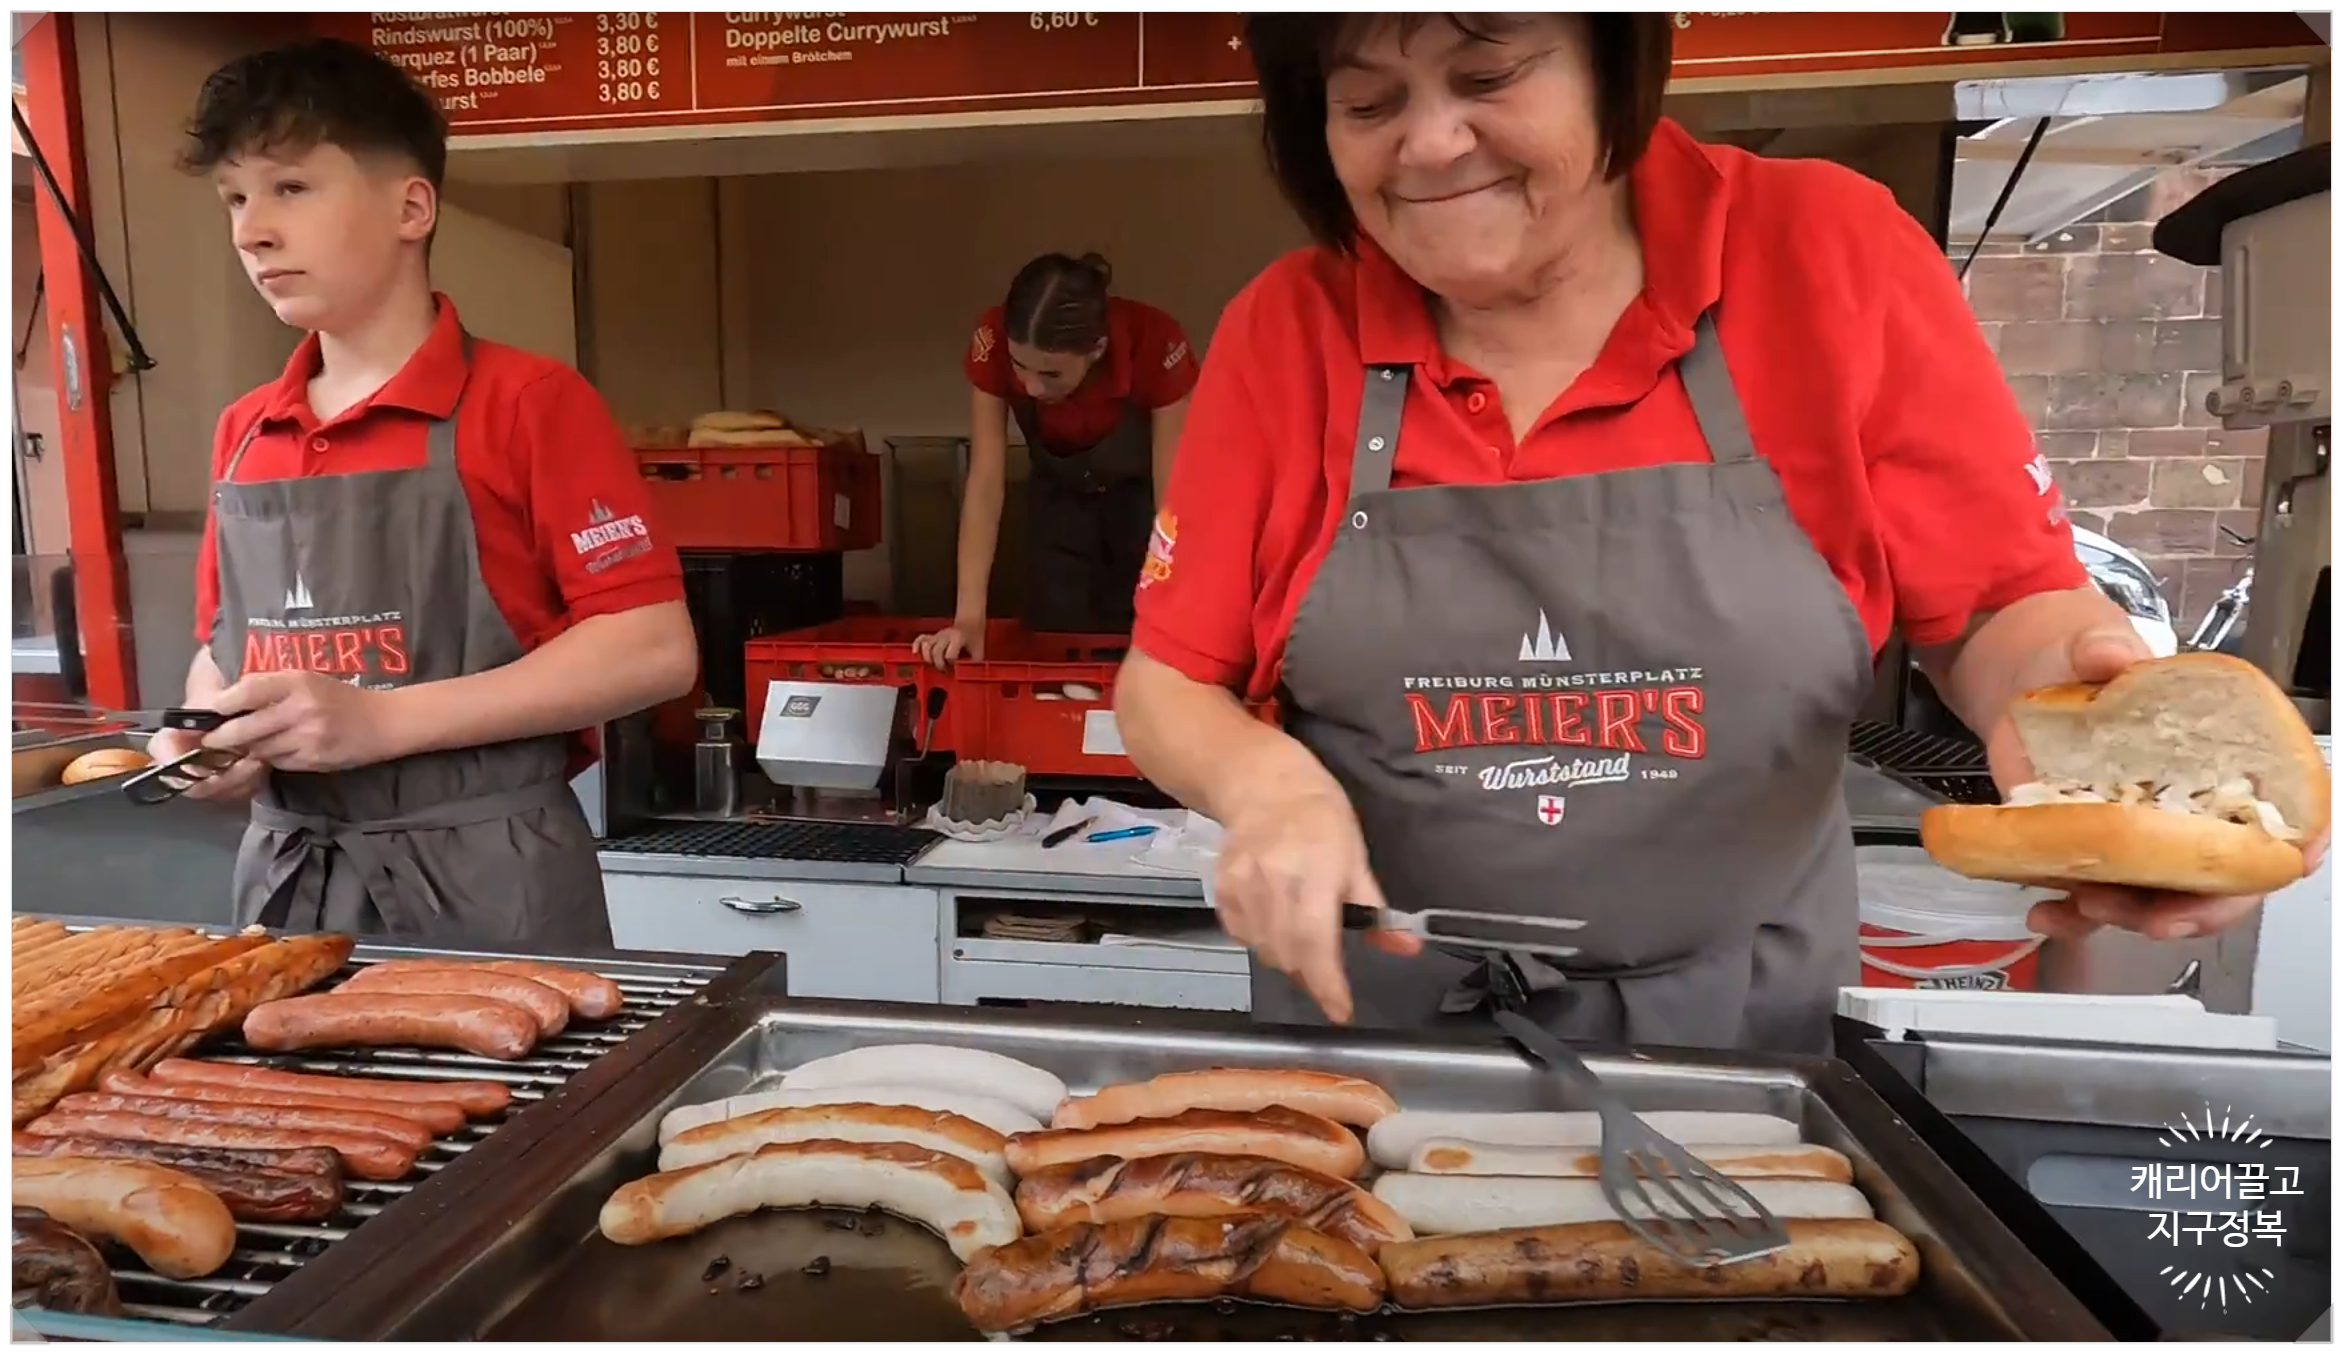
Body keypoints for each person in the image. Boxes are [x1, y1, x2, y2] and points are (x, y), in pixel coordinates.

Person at [1113, 13, 2323, 1055]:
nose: (1430, 143)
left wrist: (2107, 757)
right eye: (1369, 103)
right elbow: (1166, 681)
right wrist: (1265, 786)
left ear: (1612, 62)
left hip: (1742, 1042)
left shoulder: (1825, 255)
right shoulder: (1290, 329)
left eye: (1488, 77)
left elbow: (2005, 609)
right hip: (1375, 1038)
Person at [147, 39, 698, 947]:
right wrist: (211, 738)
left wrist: (380, 720)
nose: (251, 231)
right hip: (288, 888)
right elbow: (224, 650)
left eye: (291, 188)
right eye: (235, 199)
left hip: (490, 884)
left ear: (412, 207)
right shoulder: (244, 430)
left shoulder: (529, 403)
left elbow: (651, 649)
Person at [912, 254, 1197, 665]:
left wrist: (1181, 610)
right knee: (1054, 627)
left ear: (1097, 349)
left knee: (1142, 626)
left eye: (1051, 375)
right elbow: (986, 481)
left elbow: (1171, 495)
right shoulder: (991, 339)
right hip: (1058, 493)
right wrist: (969, 619)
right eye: (1019, 366)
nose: (1030, 387)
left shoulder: (1155, 339)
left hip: (1139, 497)